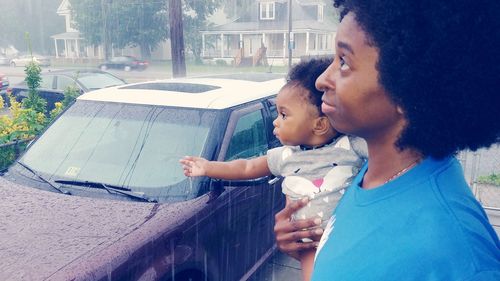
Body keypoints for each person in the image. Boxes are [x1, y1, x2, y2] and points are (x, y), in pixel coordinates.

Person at [274, 0, 500, 280]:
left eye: (343, 62)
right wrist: (309, 251)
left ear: (408, 89)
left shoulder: (458, 255)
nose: (321, 80)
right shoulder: (369, 175)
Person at [180, 58, 367, 281]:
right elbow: (246, 167)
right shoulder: (285, 156)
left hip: (346, 235)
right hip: (308, 240)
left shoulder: (351, 146)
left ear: (319, 124)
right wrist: (209, 167)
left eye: (284, 115)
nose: (275, 122)